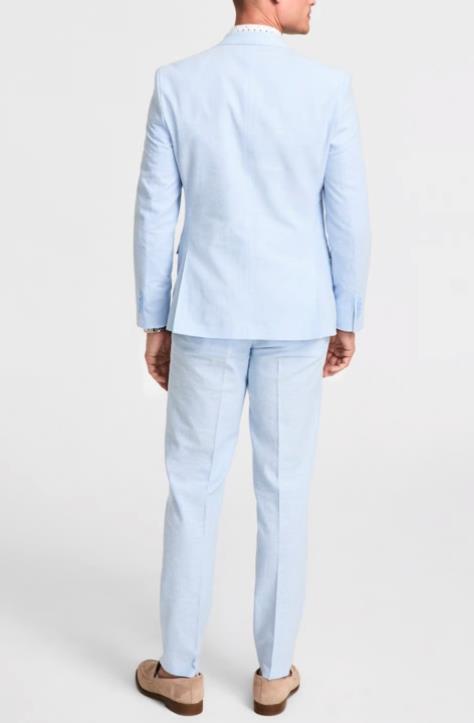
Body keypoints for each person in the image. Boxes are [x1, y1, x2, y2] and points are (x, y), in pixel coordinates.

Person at [133, 0, 371, 715]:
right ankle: (273, 672)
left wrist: (155, 319)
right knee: (285, 490)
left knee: (193, 490)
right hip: (296, 318)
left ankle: (179, 670)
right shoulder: (326, 90)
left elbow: (154, 211)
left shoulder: (179, 83)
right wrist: (346, 314)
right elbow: (348, 214)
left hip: (206, 314)